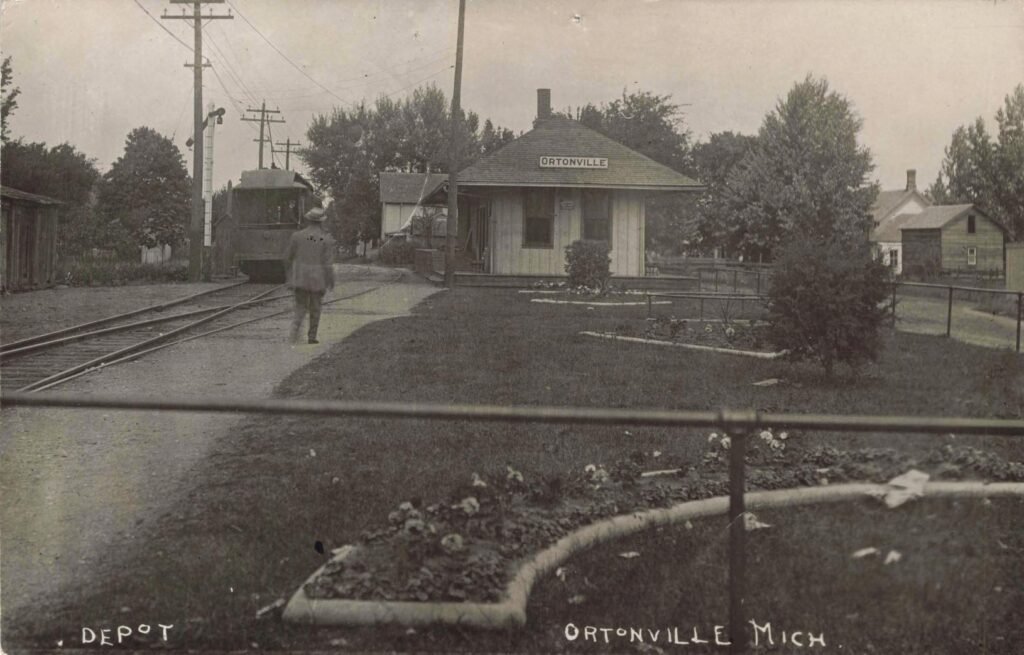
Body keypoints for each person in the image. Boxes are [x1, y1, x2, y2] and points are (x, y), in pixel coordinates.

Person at [283, 206, 335, 344]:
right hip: (318, 280)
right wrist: (331, 281)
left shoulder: (297, 236)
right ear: (322, 221)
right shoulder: (326, 239)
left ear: (308, 220)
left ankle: (294, 334)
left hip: (300, 278)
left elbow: (287, 258)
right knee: (316, 308)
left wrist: (289, 277)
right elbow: (327, 264)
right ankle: (312, 337)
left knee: (300, 306)